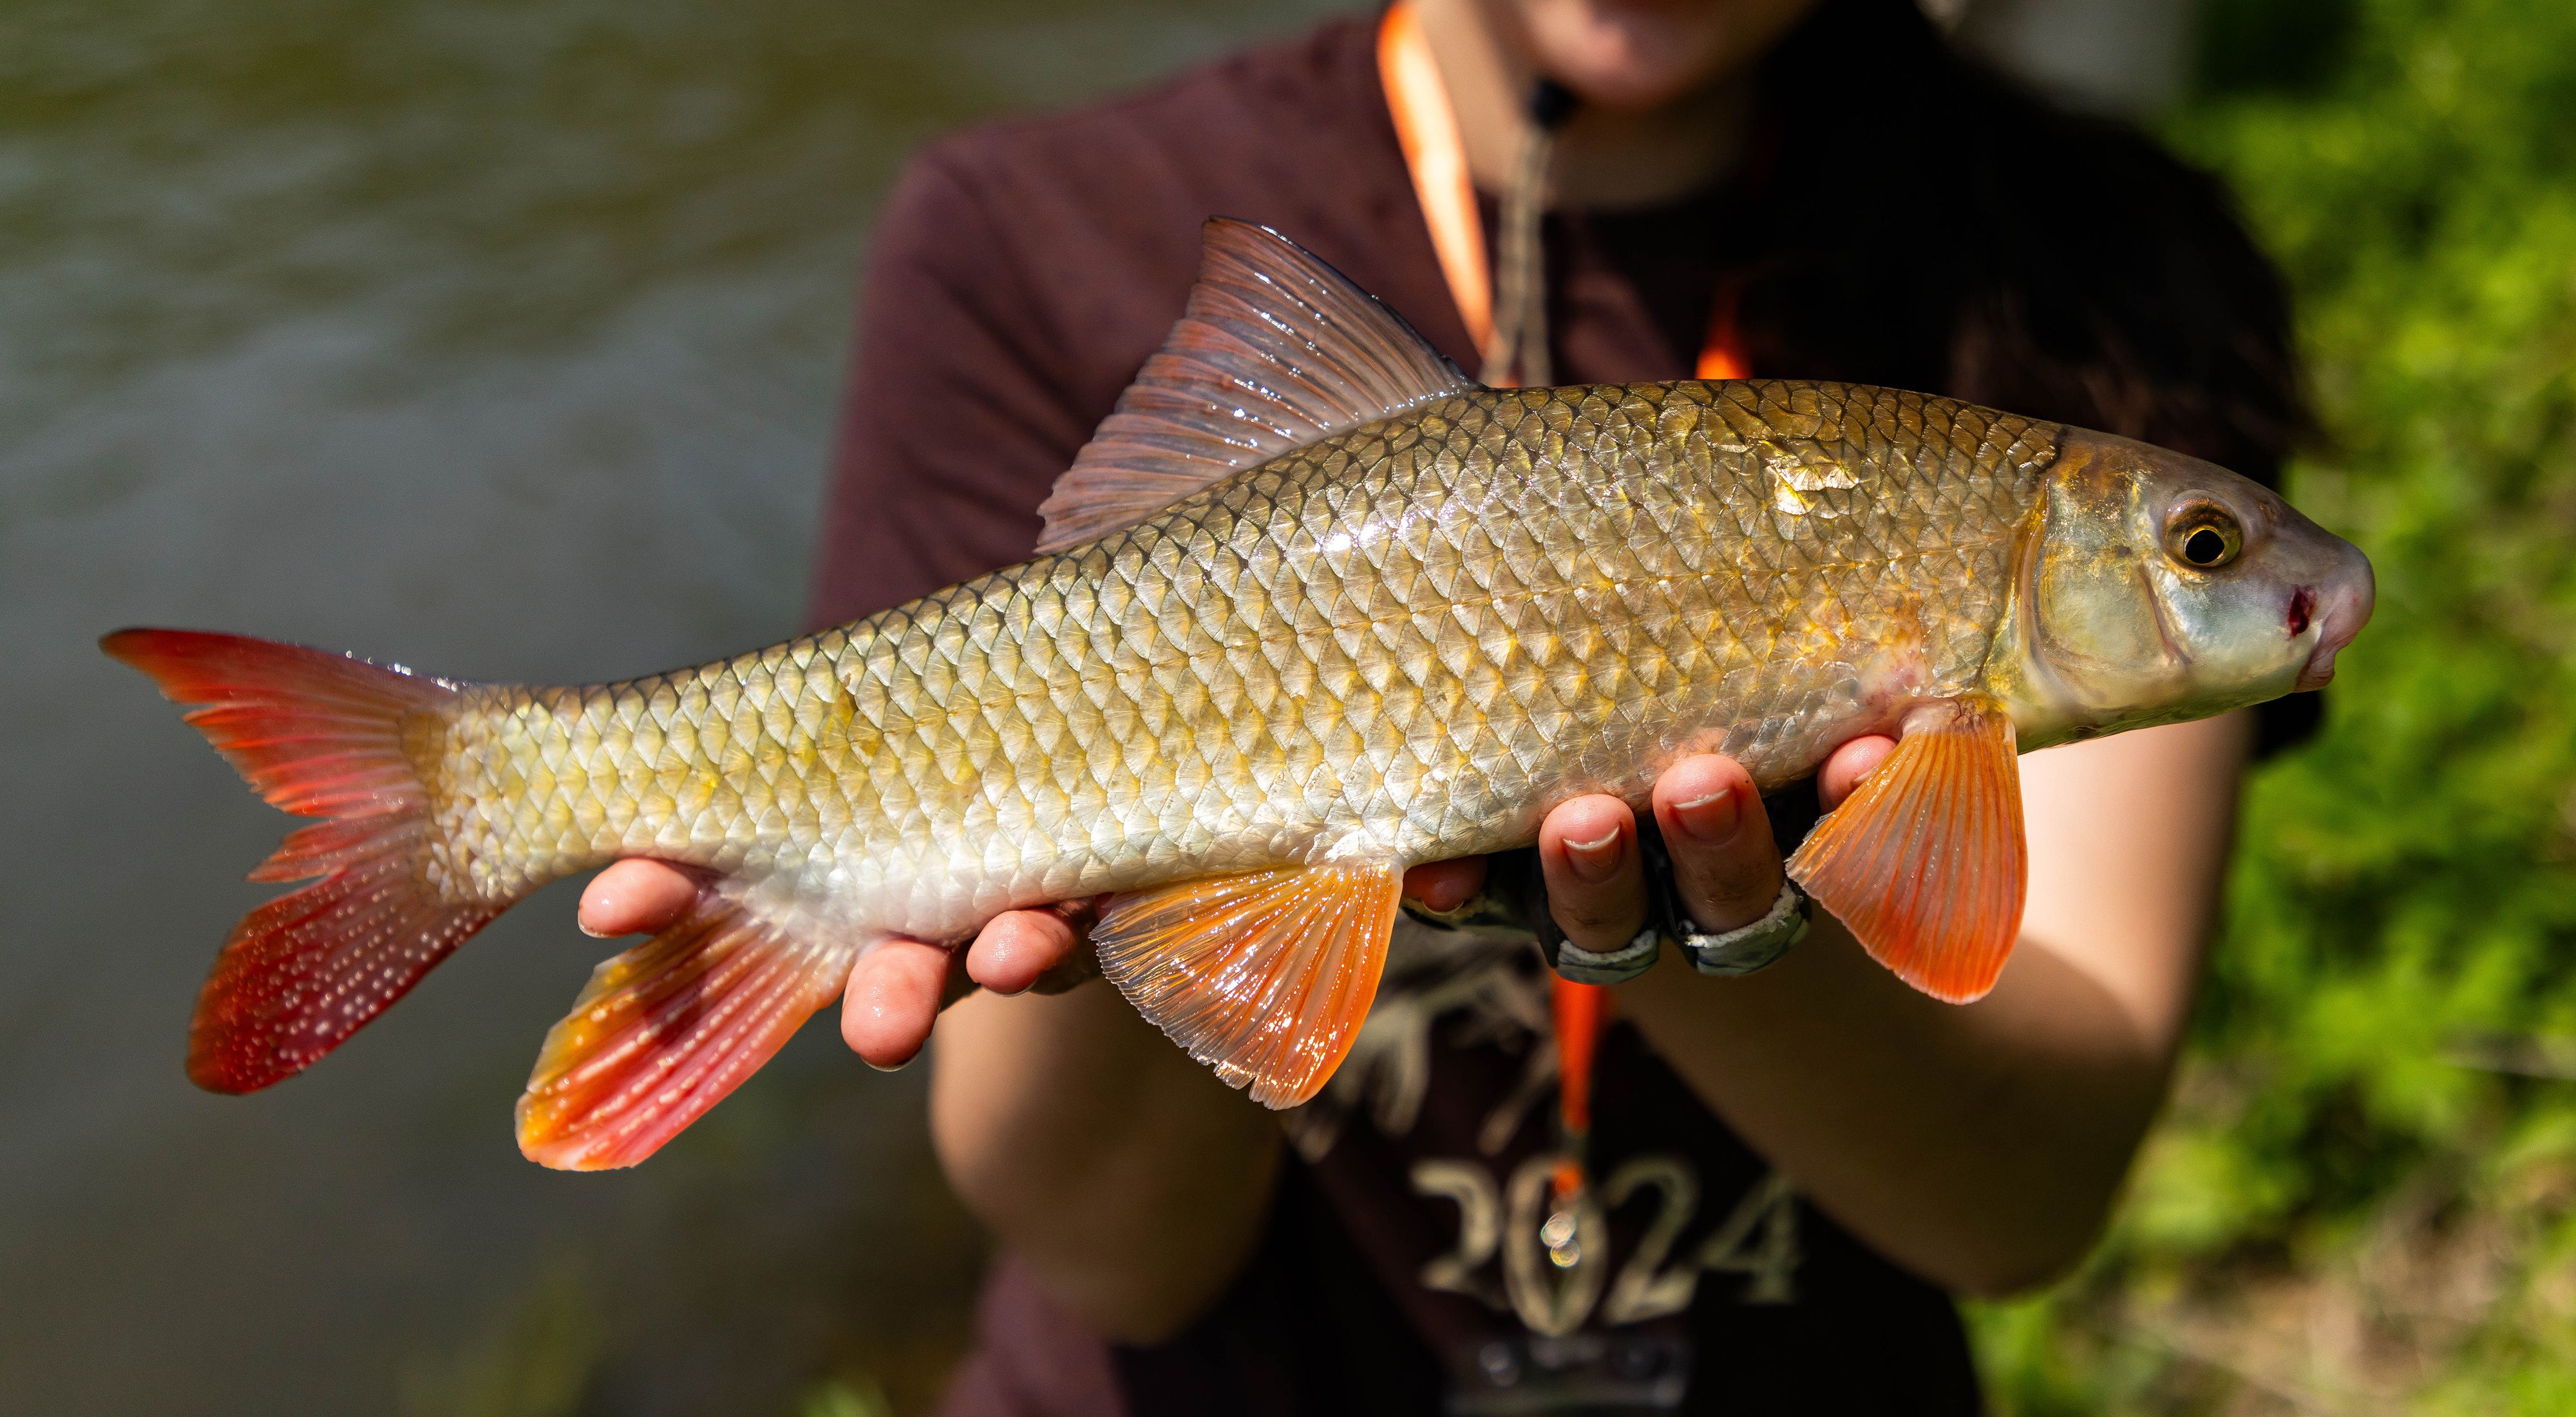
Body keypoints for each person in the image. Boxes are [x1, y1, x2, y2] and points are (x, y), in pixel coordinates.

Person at [579, 0, 2312, 1409]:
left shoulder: (2092, 270)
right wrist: (1149, 835)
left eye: (2208, 550)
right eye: (2203, 550)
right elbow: (1115, 1264)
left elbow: (2021, 1211)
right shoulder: (1023, 236)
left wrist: (1702, 927)